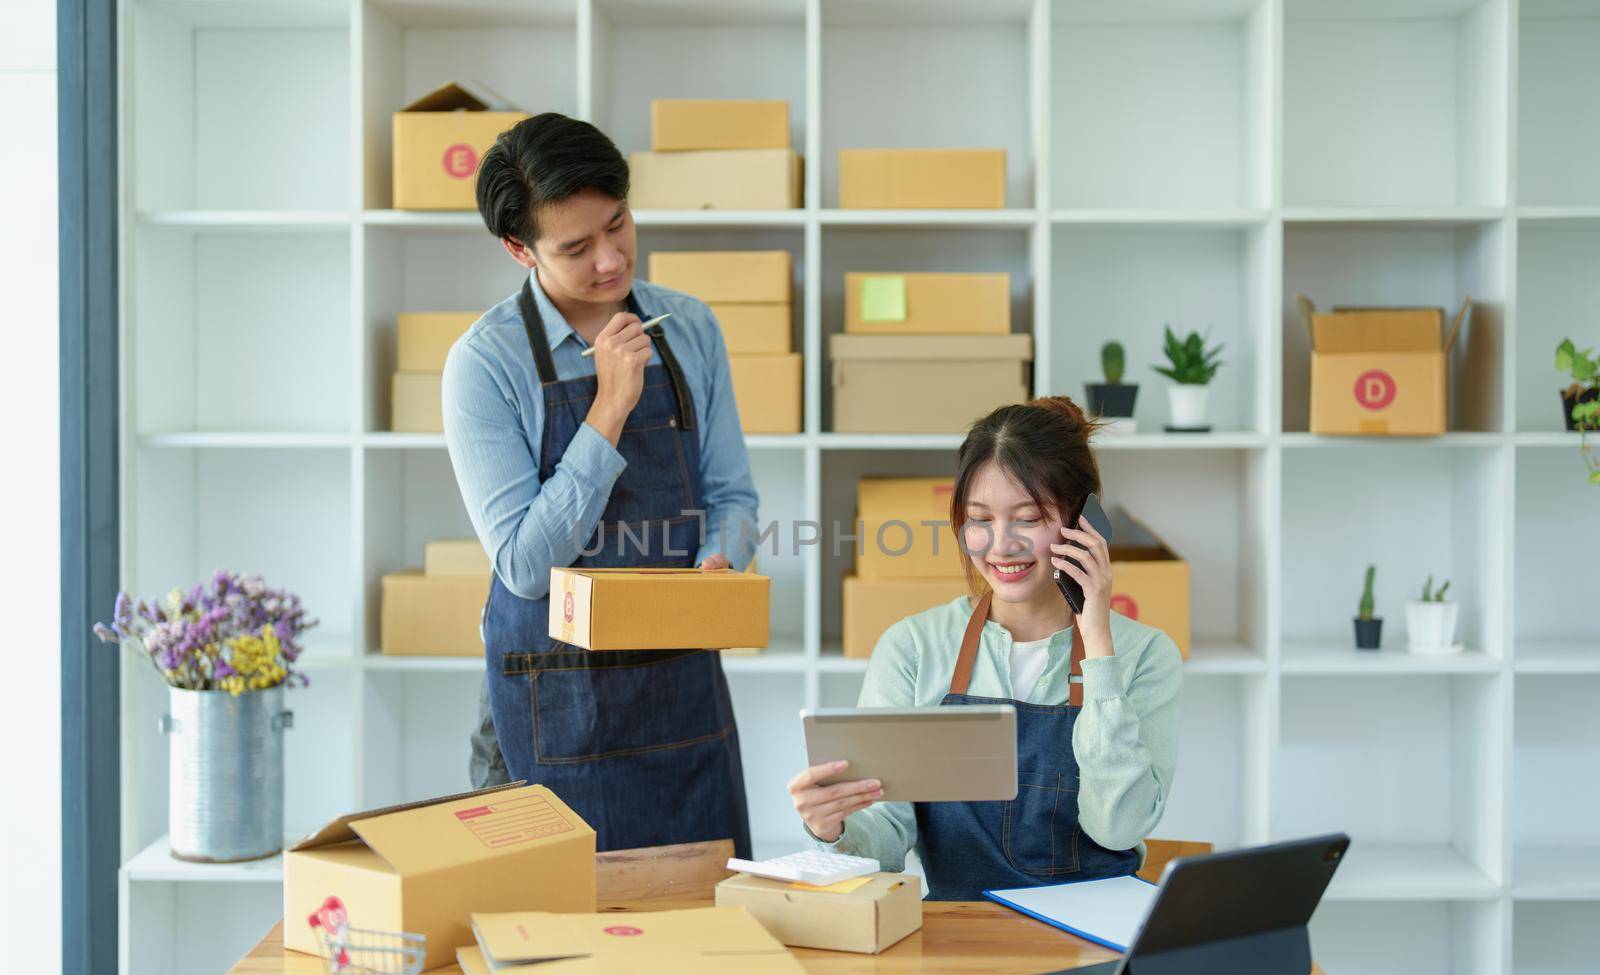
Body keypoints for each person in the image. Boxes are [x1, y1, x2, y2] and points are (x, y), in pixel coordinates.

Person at [442, 113, 758, 857]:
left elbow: (733, 495)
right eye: (577, 248)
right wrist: (609, 407)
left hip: (681, 687)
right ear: (520, 249)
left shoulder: (691, 328)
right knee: (558, 945)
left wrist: (722, 561)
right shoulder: (483, 366)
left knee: (703, 931)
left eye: (619, 225)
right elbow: (522, 565)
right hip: (554, 703)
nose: (612, 261)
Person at [786, 397, 1182, 900]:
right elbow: (886, 839)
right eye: (980, 519)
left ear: (1085, 524)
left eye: (1029, 518)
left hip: (1095, 937)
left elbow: (1118, 829)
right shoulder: (913, 648)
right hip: (961, 935)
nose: (1001, 546)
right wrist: (833, 830)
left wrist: (1098, 643)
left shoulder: (1147, 655)